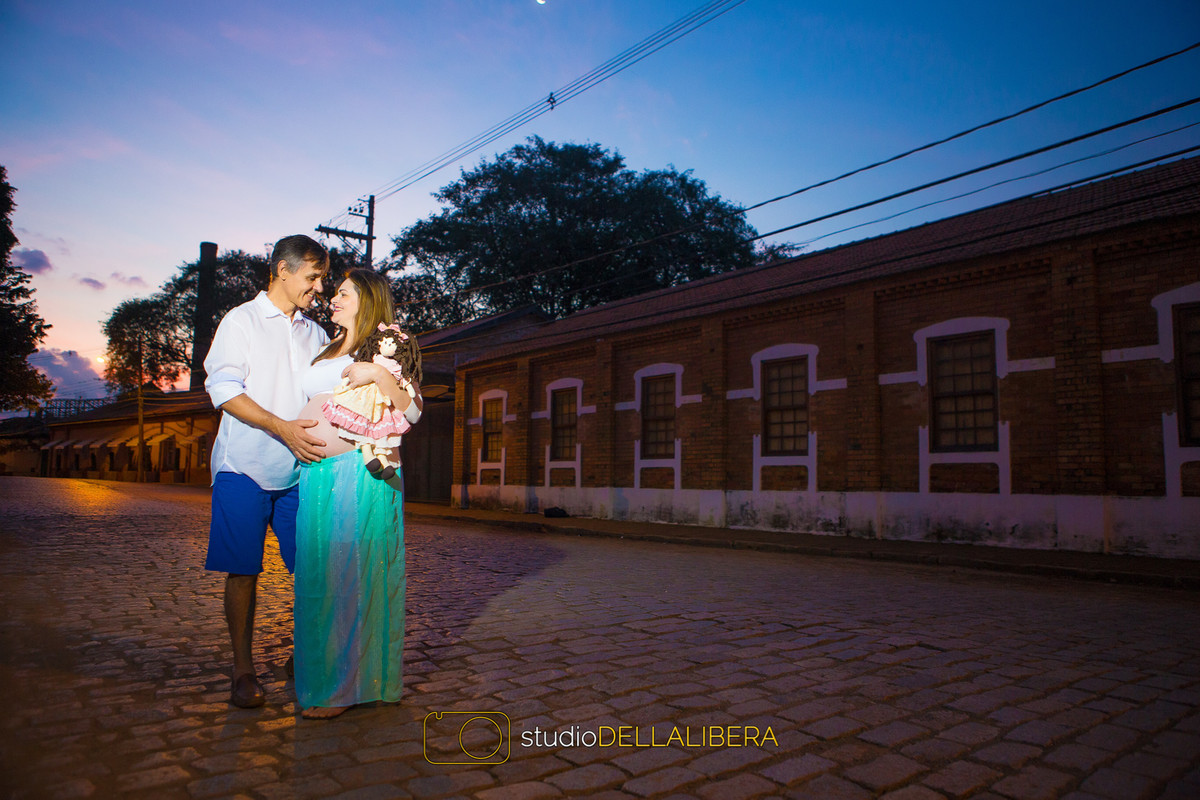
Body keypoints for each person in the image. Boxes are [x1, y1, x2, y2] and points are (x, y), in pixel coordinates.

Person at [203, 234, 330, 709]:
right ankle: (242, 669)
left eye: (321, 278)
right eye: (312, 276)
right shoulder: (242, 321)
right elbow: (223, 389)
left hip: (301, 471)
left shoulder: (316, 334)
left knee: (313, 570)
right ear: (282, 269)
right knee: (243, 571)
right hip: (243, 467)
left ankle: (304, 655)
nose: (318, 287)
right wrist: (280, 426)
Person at [293, 268, 422, 719]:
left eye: (343, 293)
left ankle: (345, 689)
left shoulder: (385, 349)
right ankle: (347, 679)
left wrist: (378, 376)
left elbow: (414, 410)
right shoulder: (325, 348)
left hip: (359, 476)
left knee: (352, 577)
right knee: (319, 579)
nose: (333, 298)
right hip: (318, 476)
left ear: (366, 299)